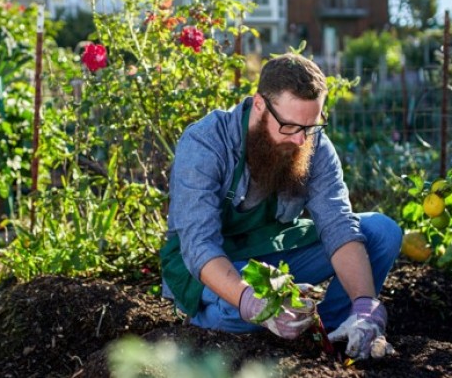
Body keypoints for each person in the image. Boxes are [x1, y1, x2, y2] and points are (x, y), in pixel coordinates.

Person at [159, 53, 402, 360]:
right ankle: (207, 323)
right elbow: (199, 245)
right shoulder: (206, 143)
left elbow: (338, 224)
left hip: (272, 253)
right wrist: (252, 301)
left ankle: (337, 330)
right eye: (289, 126)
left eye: (310, 126)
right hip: (211, 264)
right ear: (259, 105)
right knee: (240, 312)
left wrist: (365, 305)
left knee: (381, 232)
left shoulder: (312, 144)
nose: (301, 140)